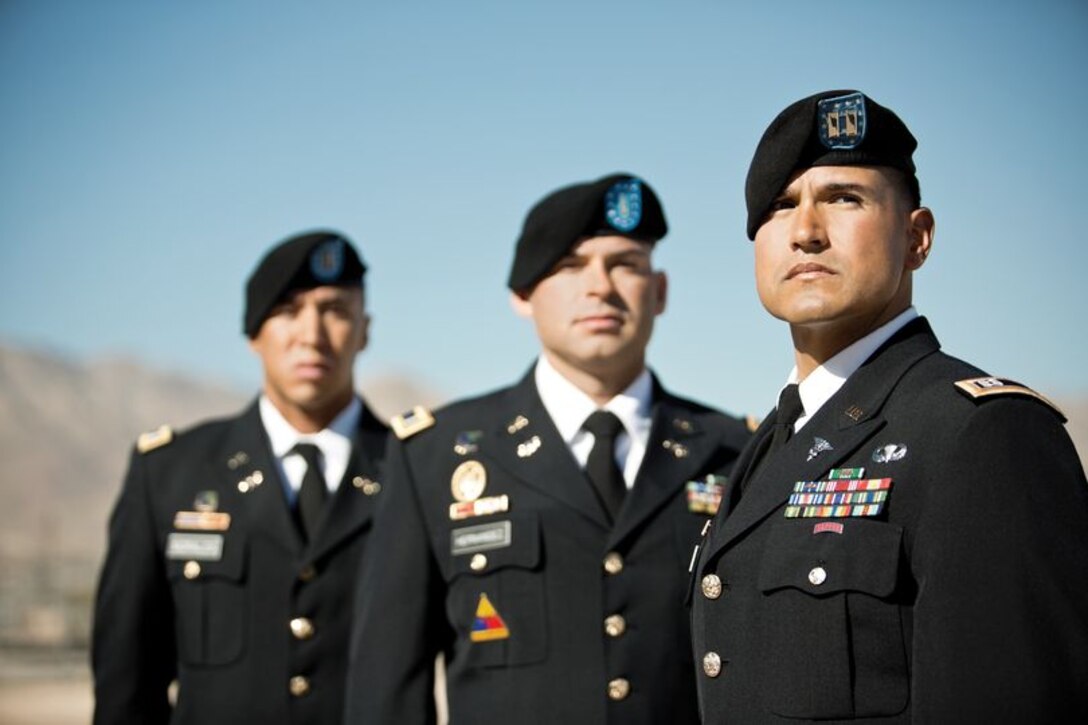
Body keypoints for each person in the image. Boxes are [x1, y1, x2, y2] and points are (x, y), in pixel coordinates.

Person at [690, 90, 1088, 722]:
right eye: (780, 207)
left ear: (917, 237)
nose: (806, 232)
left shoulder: (982, 434)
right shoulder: (767, 446)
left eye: (844, 198)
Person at [345, 173, 752, 724]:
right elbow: (388, 685)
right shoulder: (434, 455)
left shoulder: (734, 450)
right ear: (522, 295)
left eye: (625, 264)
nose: (600, 287)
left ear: (659, 292)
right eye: (569, 266)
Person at [92, 230, 389, 725]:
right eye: (288, 311)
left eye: (335, 310)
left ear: (365, 330)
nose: (311, 335)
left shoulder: (411, 471)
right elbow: (128, 678)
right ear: (254, 333)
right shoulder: (170, 473)